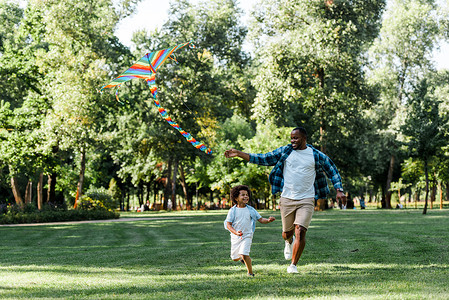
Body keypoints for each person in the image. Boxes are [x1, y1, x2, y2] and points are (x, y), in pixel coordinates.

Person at [224, 127, 347, 274]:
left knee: (300, 230)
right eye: (291, 138)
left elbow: (332, 170)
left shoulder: (315, 154)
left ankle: (293, 265)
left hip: (307, 199)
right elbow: (263, 158)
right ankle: (288, 241)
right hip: (287, 198)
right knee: (286, 233)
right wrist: (239, 154)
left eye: (296, 138)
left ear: (304, 138)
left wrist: (339, 190)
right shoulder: (285, 151)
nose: (292, 140)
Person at [224, 185, 276, 277]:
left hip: (247, 235)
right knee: (234, 258)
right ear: (236, 198)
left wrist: (268, 220)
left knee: (244, 254)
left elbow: (260, 219)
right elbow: (228, 224)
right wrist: (236, 232)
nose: (245, 196)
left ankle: (250, 273)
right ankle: (241, 258)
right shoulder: (232, 211)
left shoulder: (251, 210)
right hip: (236, 237)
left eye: (247, 195)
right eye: (242, 195)